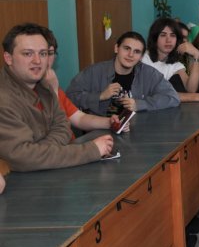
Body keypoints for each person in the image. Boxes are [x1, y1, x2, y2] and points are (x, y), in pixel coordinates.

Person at [0, 23, 114, 172]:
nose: (37, 61)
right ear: (8, 58)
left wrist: (38, 151)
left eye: (43, 53)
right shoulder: (4, 99)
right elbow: (22, 157)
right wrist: (91, 150)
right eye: (28, 54)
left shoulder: (44, 85)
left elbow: (63, 126)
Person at [67, 31, 180, 116]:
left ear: (141, 57)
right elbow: (69, 97)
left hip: (137, 129)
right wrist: (100, 96)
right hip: (99, 130)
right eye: (126, 48)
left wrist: (139, 104)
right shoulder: (94, 72)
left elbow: (172, 97)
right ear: (116, 48)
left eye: (136, 52)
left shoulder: (149, 74)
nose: (131, 55)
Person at [142, 18, 199, 103]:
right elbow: (155, 94)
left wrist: (197, 55)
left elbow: (191, 89)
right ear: (154, 38)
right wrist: (198, 97)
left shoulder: (175, 63)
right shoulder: (143, 59)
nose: (168, 40)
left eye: (172, 35)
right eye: (163, 35)